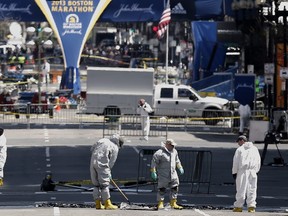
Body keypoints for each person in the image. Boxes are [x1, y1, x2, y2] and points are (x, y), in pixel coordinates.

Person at [90, 134, 124, 210]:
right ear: (119, 143)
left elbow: (92, 148)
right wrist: (108, 172)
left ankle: (98, 204)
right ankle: (107, 204)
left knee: (96, 184)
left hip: (93, 162)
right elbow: (111, 162)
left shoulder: (103, 140)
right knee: (104, 185)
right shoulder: (115, 147)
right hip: (103, 165)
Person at [150, 139, 184, 210]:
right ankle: (160, 203)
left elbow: (177, 160)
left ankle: (173, 202)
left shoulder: (174, 151)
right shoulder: (159, 153)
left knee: (175, 187)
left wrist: (180, 167)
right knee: (162, 189)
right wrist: (153, 171)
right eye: (172, 145)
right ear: (167, 145)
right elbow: (154, 162)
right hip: (163, 175)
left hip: (173, 173)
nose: (173, 146)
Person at [232, 135, 261, 213]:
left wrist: (234, 172)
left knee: (241, 189)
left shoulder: (240, 150)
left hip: (242, 171)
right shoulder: (255, 149)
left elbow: (236, 162)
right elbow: (258, 161)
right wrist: (255, 171)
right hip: (253, 171)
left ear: (241, 141)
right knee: (252, 189)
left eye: (238, 142)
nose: (238, 144)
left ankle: (238, 206)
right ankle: (251, 206)